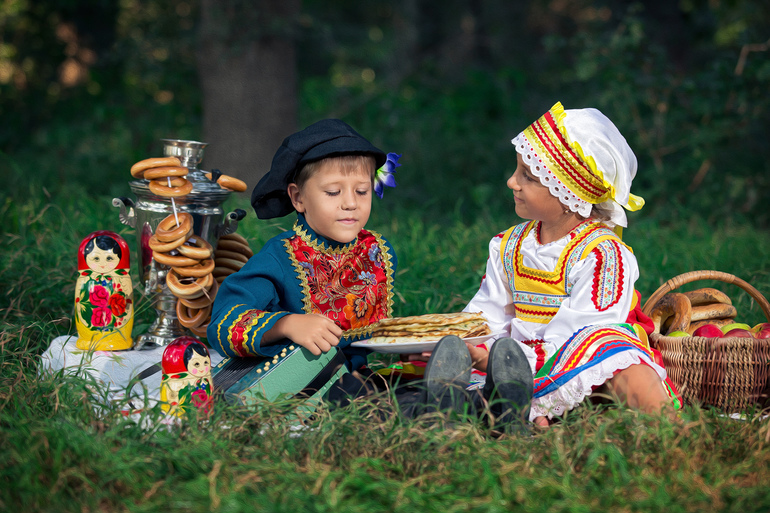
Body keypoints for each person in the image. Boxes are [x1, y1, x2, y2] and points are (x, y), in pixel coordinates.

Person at [460, 102, 681, 428]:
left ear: (568, 195)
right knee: (467, 354)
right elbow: (487, 313)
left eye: (528, 176)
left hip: (581, 360)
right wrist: (464, 339)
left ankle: (672, 429)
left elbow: (584, 331)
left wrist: (508, 359)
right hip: (515, 357)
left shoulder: (604, 254)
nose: (511, 182)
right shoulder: (508, 246)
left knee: (615, 352)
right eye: (517, 170)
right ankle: (489, 401)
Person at [207, 118, 401, 400]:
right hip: (302, 390)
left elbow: (375, 339)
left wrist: (409, 345)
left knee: (411, 381)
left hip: (363, 380)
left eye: (362, 190)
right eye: (333, 192)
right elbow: (224, 322)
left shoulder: (377, 251)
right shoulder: (280, 257)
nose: (351, 202)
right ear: (298, 198)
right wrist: (286, 324)